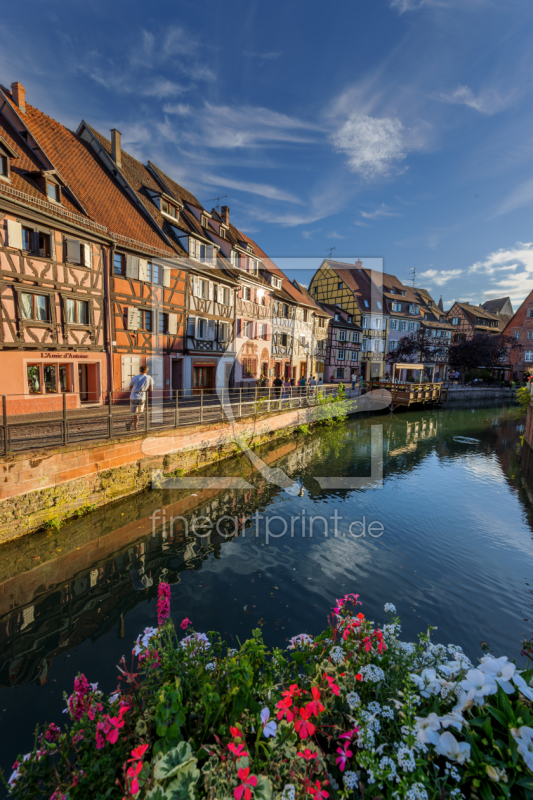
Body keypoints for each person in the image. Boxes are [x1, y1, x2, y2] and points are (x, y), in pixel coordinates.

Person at [129, 365, 154, 431]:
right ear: (147, 370)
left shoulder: (135, 377)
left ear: (140, 370)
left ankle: (133, 426)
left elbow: (130, 388)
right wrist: (145, 389)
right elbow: (151, 389)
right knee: (139, 414)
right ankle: (134, 426)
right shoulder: (149, 378)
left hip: (133, 397)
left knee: (135, 414)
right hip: (142, 397)